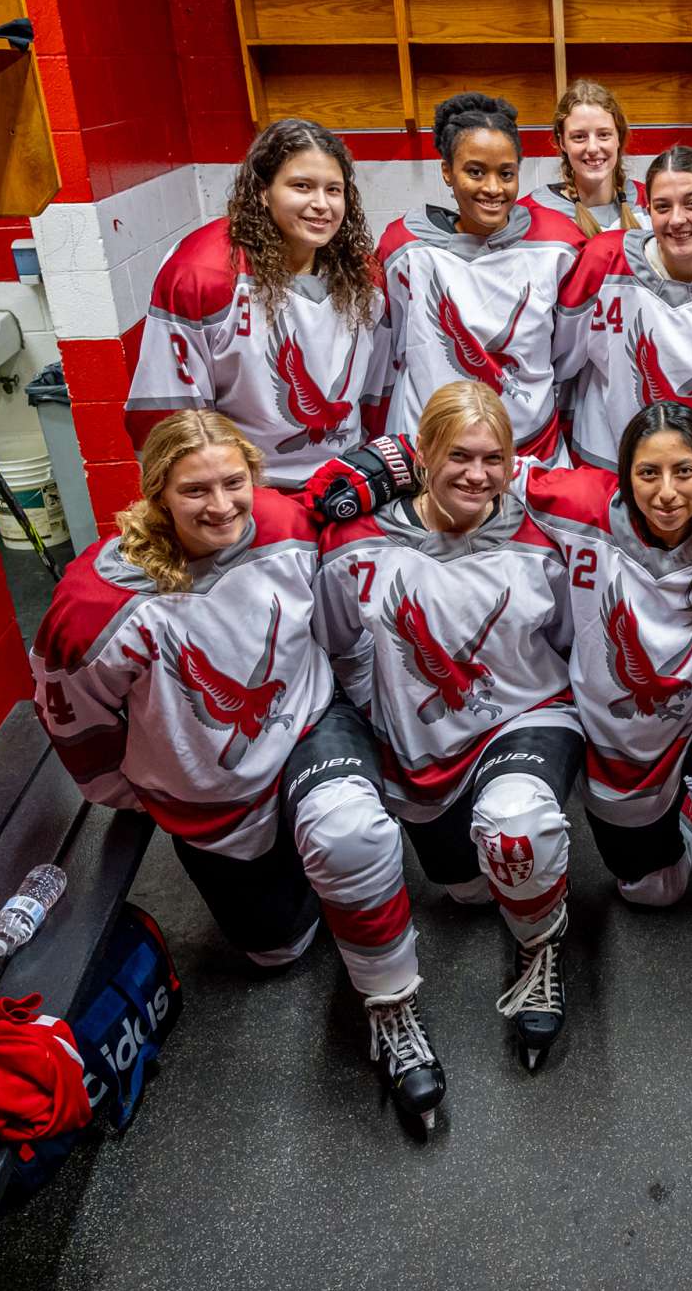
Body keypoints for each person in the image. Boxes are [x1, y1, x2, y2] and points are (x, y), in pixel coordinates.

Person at [30, 411, 443, 1130]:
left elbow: (329, 569)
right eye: (195, 490)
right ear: (156, 492)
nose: (220, 505)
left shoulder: (282, 525)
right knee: (278, 950)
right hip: (211, 795)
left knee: (352, 836)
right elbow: (75, 722)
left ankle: (395, 1010)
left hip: (309, 726)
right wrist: (134, 790)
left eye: (233, 482)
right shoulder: (95, 605)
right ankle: (320, 878)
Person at [314, 381, 580, 1072]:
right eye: (458, 455)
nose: (477, 474)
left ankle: (541, 945)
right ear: (422, 453)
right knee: (465, 888)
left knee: (515, 829)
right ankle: (509, 880)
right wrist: (379, 704)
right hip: (422, 748)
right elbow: (340, 642)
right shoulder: (357, 545)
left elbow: (566, 637)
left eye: (495, 459)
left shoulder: (541, 534)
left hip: (527, 716)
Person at [525, 403, 692, 909]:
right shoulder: (581, 503)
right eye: (648, 473)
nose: (667, 492)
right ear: (623, 476)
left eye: (684, 471)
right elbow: (484, 466)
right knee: (652, 891)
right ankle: (687, 807)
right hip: (616, 733)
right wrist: (380, 470)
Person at [124, 120, 386, 489]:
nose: (321, 205)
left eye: (334, 190)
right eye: (301, 187)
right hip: (245, 491)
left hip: (345, 477)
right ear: (263, 191)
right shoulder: (202, 273)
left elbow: (375, 392)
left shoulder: (362, 276)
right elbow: (168, 416)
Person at [376, 92, 586, 466]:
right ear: (447, 172)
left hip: (530, 448)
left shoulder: (559, 243)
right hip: (430, 447)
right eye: (475, 172)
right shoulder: (403, 247)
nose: (493, 188)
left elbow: (568, 353)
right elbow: (393, 347)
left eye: (506, 174)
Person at [554, 145, 692, 483]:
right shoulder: (602, 263)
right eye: (663, 206)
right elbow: (560, 364)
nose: (677, 220)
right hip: (609, 466)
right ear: (648, 211)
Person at [520, 79, 649, 237]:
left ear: (619, 138)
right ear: (562, 142)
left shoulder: (650, 203)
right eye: (579, 137)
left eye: (603, 135)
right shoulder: (531, 215)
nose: (593, 148)